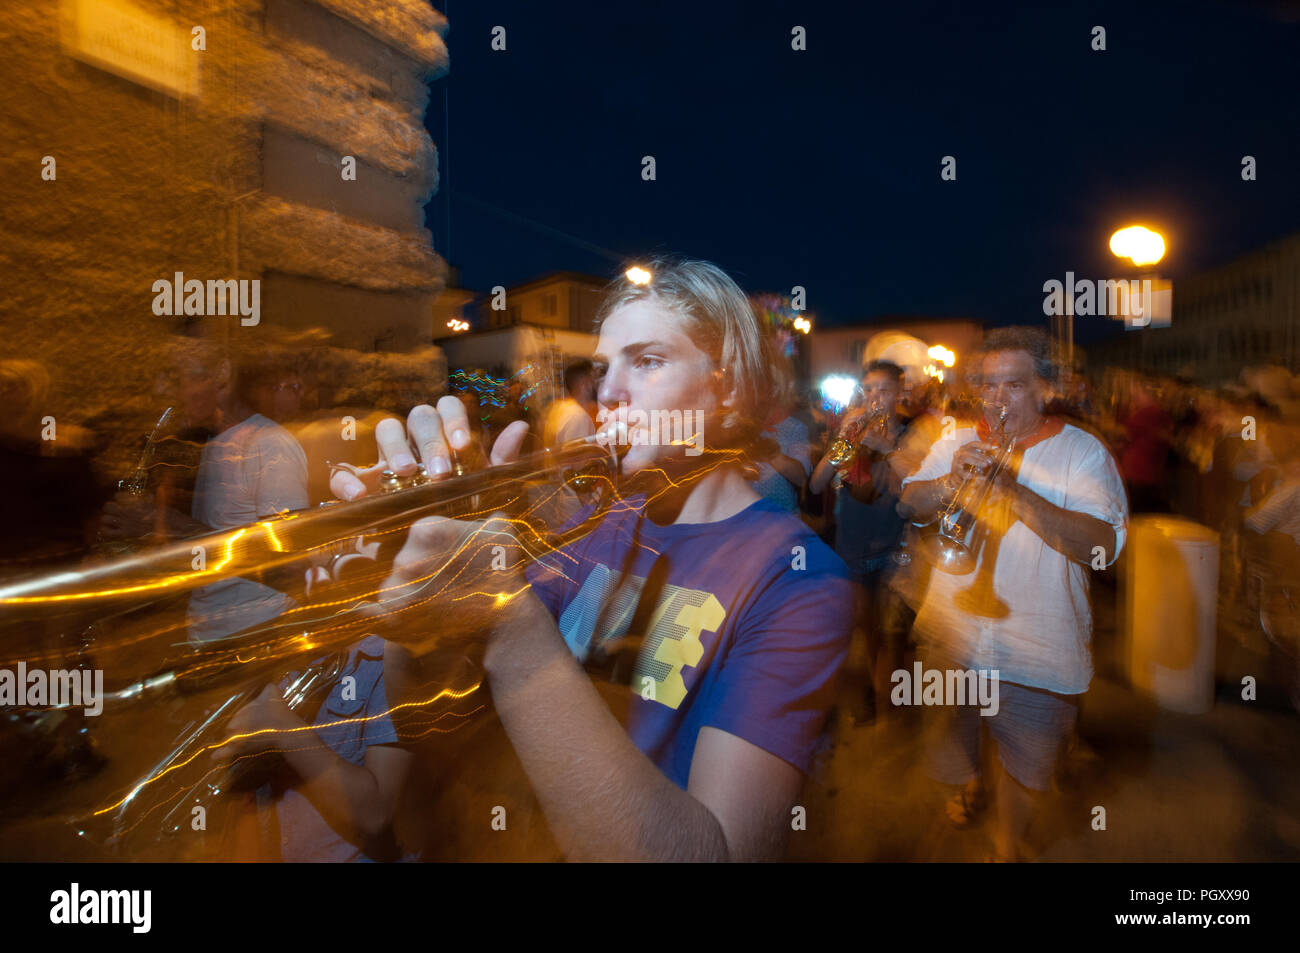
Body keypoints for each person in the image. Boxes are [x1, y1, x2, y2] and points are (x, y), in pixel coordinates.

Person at [331, 258, 853, 861]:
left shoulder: (798, 580)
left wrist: (506, 620)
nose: (607, 393)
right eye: (605, 369)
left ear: (726, 386)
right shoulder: (594, 526)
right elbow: (433, 733)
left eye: (649, 361)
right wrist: (418, 589)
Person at [899, 326, 1127, 862]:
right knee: (960, 730)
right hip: (954, 635)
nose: (997, 398)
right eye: (988, 385)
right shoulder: (956, 441)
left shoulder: (1082, 452)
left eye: (1014, 385)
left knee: (1026, 763)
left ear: (1045, 388)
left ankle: (1007, 846)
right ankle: (974, 782)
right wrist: (948, 480)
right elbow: (910, 504)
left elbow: (1102, 548)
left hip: (1036, 646)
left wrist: (1013, 490)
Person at [809, 360, 908, 725]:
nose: (875, 399)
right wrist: (843, 443)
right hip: (853, 546)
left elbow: (920, 483)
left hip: (896, 547)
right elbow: (818, 483)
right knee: (868, 629)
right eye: (868, 390)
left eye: (883, 390)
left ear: (899, 392)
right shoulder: (852, 435)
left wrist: (887, 445)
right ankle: (876, 694)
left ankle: (893, 703)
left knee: (893, 632)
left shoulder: (911, 434)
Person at [542, 358, 597, 449]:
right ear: (585, 384)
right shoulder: (579, 417)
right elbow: (577, 461)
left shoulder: (562, 408)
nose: (597, 384)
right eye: (593, 379)